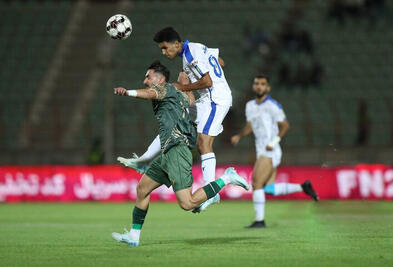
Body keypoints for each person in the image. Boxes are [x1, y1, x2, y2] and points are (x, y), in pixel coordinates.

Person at [111, 61, 249, 246]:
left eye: (148, 76)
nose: (145, 80)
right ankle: (134, 236)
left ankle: (226, 178)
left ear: (159, 79)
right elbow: (190, 100)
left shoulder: (163, 89)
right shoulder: (177, 94)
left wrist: (128, 92)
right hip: (168, 152)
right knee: (142, 189)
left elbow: (150, 93)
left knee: (188, 203)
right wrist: (185, 85)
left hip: (177, 151)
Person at [119, 27, 233, 213]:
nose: (164, 52)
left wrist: (184, 86)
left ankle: (212, 190)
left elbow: (208, 82)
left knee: (204, 143)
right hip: (207, 99)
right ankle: (145, 159)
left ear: (176, 44)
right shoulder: (197, 48)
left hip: (216, 98)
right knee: (176, 119)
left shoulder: (190, 54)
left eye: (165, 48)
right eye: (161, 49)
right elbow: (220, 61)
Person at [231, 75, 318, 228]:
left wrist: (274, 142)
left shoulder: (273, 105)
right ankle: (303, 187)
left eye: (262, 84)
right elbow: (250, 126)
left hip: (270, 150)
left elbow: (285, 125)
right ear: (253, 86)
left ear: (268, 88)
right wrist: (239, 135)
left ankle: (260, 220)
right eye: (256, 83)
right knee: (268, 189)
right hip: (261, 150)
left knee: (256, 183)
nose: (259, 86)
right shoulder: (250, 105)